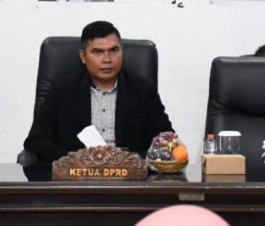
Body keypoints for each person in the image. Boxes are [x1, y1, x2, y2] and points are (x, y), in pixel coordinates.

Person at [23, 21, 173, 163]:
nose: (107, 59)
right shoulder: (62, 90)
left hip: (128, 175)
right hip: (76, 175)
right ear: (83, 56)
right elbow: (36, 140)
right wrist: (75, 160)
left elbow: (166, 140)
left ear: (122, 51)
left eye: (114, 50)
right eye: (97, 52)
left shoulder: (143, 90)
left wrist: (129, 160)